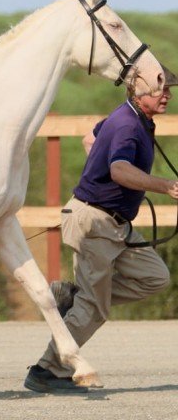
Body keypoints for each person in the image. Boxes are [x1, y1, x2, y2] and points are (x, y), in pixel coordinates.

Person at [24, 66, 178, 394]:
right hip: (95, 224)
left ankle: (76, 298)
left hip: (115, 224)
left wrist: (97, 167)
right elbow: (120, 169)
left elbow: (89, 138)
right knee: (95, 308)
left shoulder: (130, 118)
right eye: (160, 89)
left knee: (155, 277)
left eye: (168, 89)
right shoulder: (127, 124)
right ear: (138, 91)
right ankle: (45, 370)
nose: (167, 95)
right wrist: (165, 186)